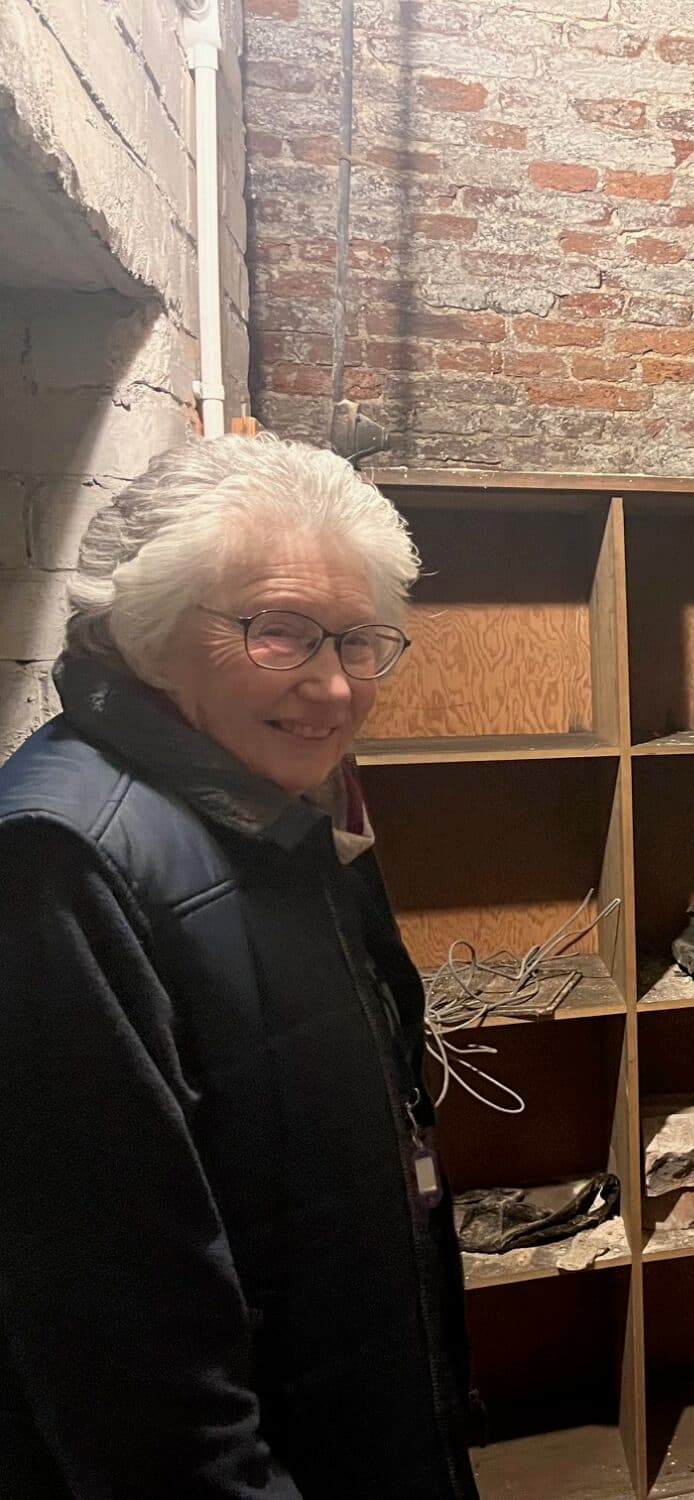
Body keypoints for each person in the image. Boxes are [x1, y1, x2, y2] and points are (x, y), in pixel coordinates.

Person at [0, 436, 479, 1498]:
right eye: (279, 633)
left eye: (362, 642)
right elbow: (120, 1339)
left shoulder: (273, 797)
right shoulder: (62, 862)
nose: (335, 686)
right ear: (146, 629)